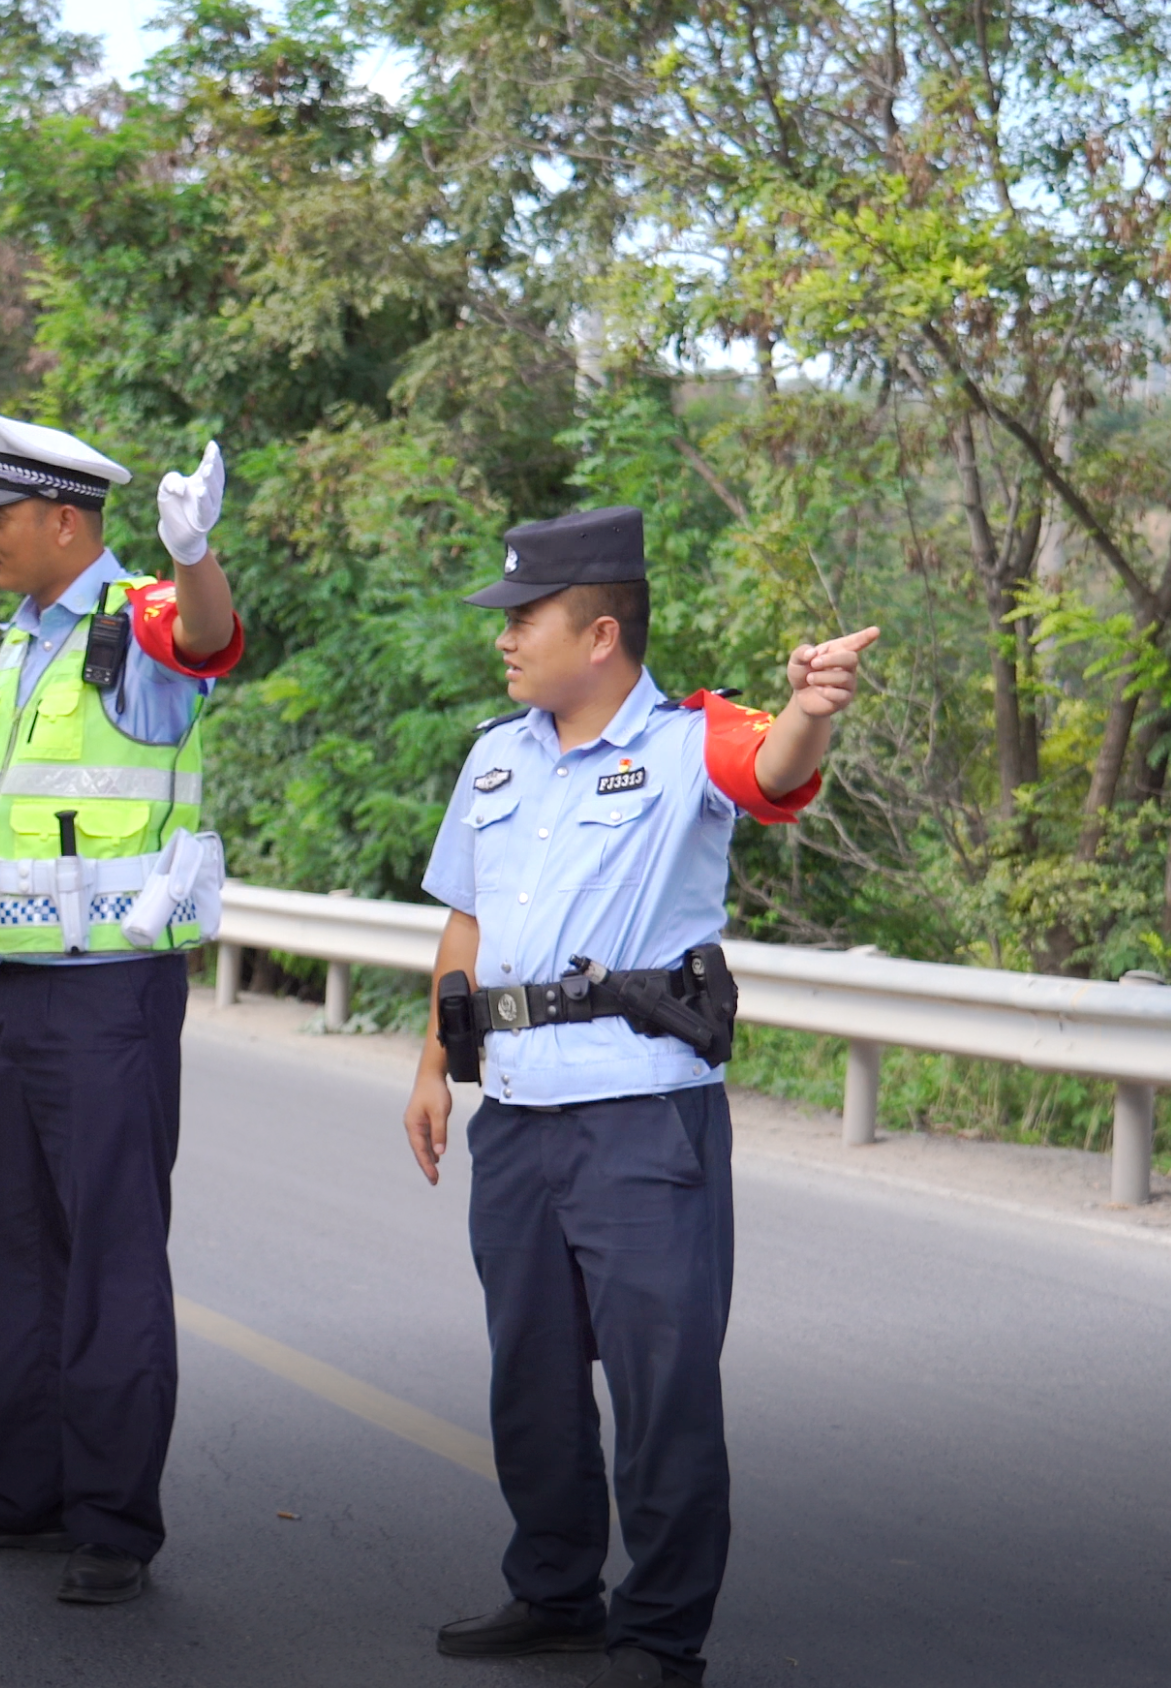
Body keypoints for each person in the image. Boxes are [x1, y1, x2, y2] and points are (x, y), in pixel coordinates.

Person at [404, 506, 878, 1683]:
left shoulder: (685, 742)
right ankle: (555, 1591)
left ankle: (660, 1632)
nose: (506, 639)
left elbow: (772, 773)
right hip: (516, 1112)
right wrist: (432, 1063)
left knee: (662, 1384)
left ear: (601, 631)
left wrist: (811, 710)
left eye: (527, 619)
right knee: (534, 1374)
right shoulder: (497, 753)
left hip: (640, 1115)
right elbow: (467, 913)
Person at [0, 411, 245, 1605]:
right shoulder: (21, 641)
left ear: (62, 520)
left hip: (110, 997)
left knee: (107, 1258)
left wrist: (194, 554)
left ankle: (109, 1521)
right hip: (10, 987)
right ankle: (22, 1489)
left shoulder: (136, 619)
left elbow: (209, 638)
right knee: (4, 1247)